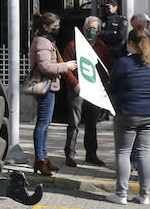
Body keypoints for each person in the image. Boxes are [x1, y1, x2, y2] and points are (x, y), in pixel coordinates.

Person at [106, 28, 150, 204]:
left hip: (127, 113)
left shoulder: (124, 63)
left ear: (130, 43)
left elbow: (111, 88)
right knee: (145, 152)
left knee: (123, 152)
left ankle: (121, 194)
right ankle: (145, 195)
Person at [61, 16, 113, 168]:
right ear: (83, 29)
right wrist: (75, 84)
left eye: (94, 29)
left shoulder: (102, 47)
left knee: (92, 124)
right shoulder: (74, 45)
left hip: (94, 92)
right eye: (88, 28)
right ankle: (70, 154)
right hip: (77, 90)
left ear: (99, 31)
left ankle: (91, 154)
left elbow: (107, 67)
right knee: (74, 124)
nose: (91, 31)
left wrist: (102, 86)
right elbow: (66, 68)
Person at [30, 12, 78, 176]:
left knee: (45, 124)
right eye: (54, 26)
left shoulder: (45, 40)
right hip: (45, 85)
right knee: (42, 125)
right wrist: (66, 66)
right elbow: (46, 67)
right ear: (45, 27)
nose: (57, 28)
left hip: (49, 85)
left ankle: (44, 159)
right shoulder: (42, 41)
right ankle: (39, 160)